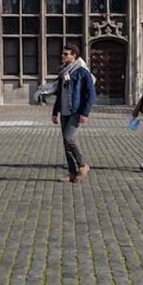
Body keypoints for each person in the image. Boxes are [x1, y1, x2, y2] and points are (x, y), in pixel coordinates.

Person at [50, 43, 95, 183]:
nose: (62, 56)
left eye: (66, 54)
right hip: (64, 111)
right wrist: (55, 112)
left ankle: (82, 165)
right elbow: (60, 93)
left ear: (74, 56)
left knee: (69, 138)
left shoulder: (82, 72)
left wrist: (85, 113)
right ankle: (72, 173)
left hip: (76, 111)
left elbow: (91, 94)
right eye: (62, 53)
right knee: (66, 142)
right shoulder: (64, 71)